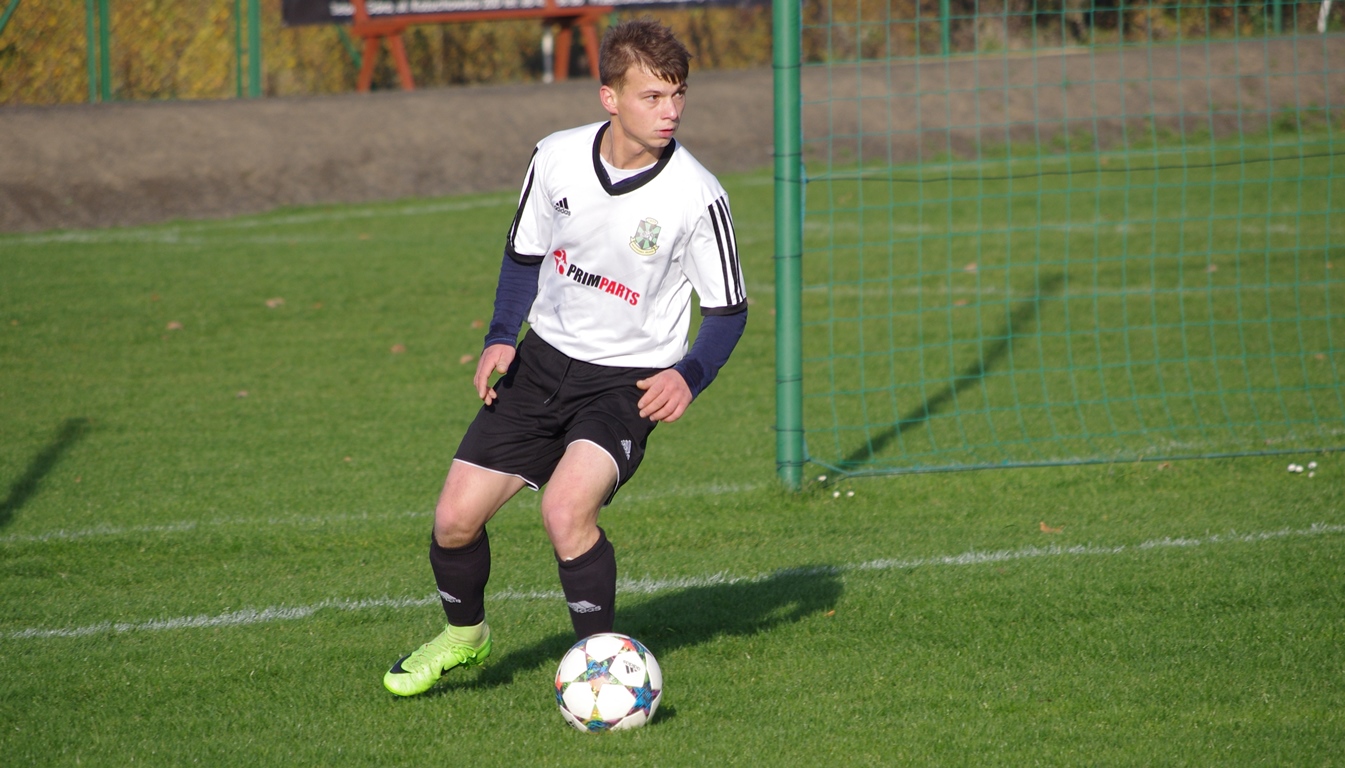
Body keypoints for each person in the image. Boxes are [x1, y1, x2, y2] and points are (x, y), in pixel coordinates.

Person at [383, 18, 748, 697]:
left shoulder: (698, 196)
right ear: (609, 97)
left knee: (565, 511)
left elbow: (728, 311)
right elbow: (523, 254)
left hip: (625, 384)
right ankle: (464, 638)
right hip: (541, 365)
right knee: (453, 521)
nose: (669, 111)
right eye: (651, 97)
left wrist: (688, 375)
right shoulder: (554, 156)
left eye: (677, 95)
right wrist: (501, 334)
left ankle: (600, 668)